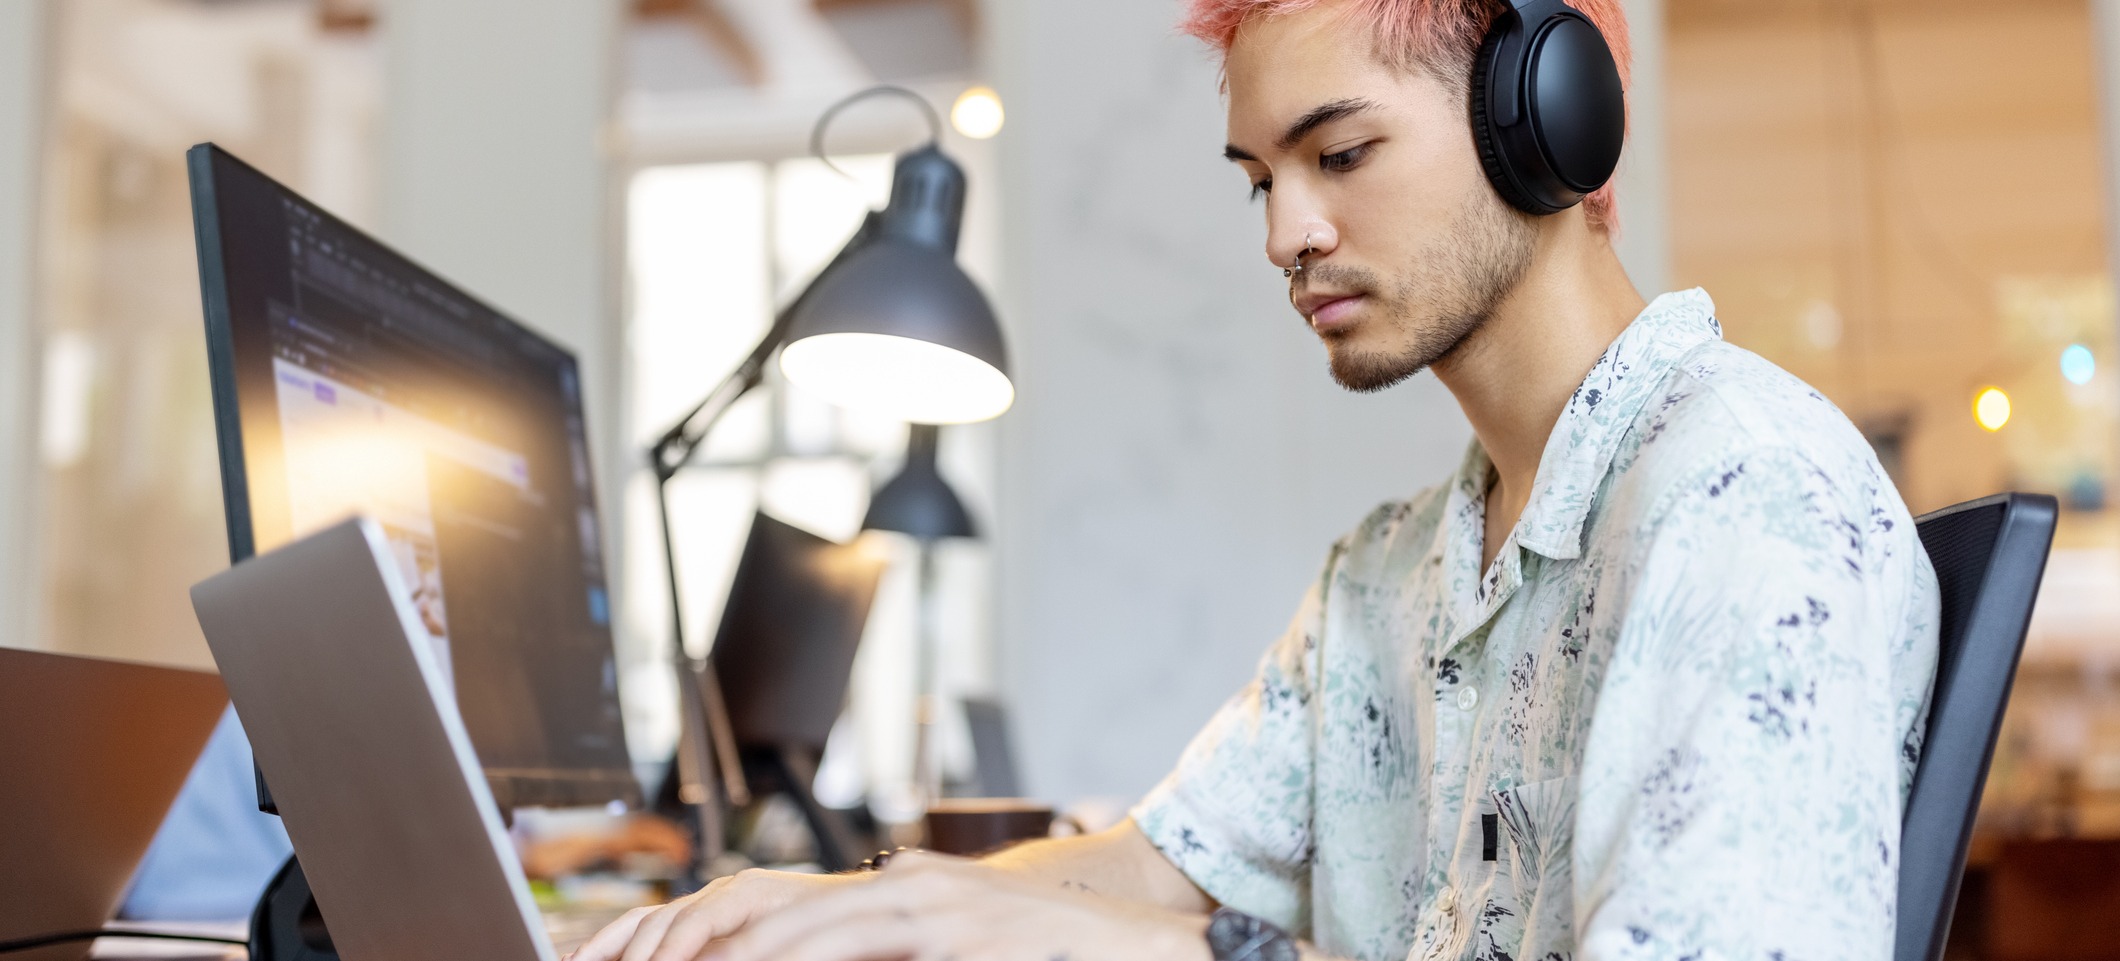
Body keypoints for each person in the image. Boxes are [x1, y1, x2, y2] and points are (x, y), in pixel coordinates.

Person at [569, 0, 1940, 958]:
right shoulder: (1390, 575)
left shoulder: (1746, 503)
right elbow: (1160, 860)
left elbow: (1152, 924)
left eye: (1341, 154)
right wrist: (844, 904)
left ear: (1550, 120)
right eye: (1259, 179)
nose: (1288, 230)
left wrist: (1135, 948)